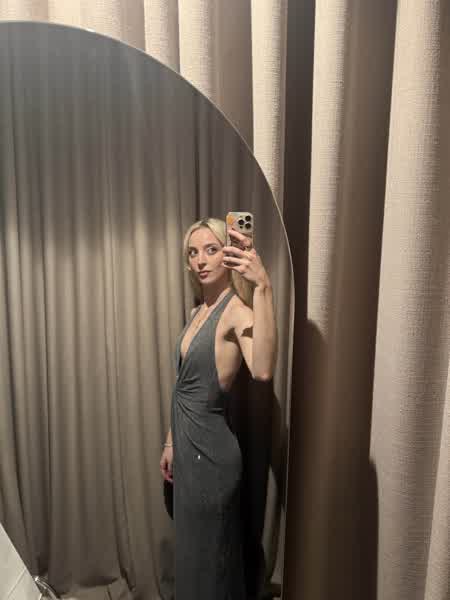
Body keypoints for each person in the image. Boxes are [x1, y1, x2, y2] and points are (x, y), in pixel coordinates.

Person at [159, 217, 277, 600]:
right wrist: (171, 442)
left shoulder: (235, 311)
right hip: (187, 452)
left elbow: (262, 369)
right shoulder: (199, 312)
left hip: (212, 458)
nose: (200, 260)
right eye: (193, 252)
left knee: (213, 562)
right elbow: (184, 387)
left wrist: (263, 287)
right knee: (194, 557)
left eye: (211, 250)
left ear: (227, 254)